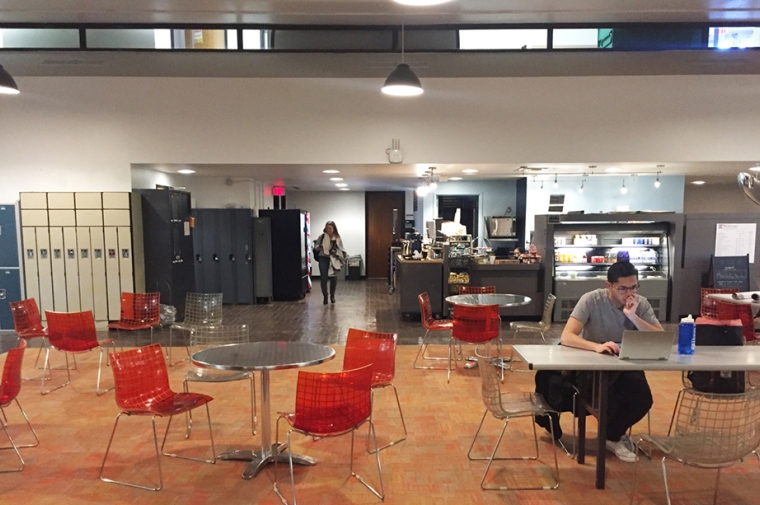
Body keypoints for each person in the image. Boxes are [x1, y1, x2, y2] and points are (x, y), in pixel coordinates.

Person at [560, 260, 663, 463]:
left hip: (626, 363)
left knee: (642, 399)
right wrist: (596, 346)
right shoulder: (591, 300)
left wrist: (633, 317)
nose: (629, 293)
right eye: (622, 288)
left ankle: (611, 436)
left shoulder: (640, 303)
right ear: (609, 286)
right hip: (593, 364)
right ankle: (614, 436)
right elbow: (567, 336)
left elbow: (659, 337)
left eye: (633, 287)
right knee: (607, 398)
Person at [313, 221, 347, 305]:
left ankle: (332, 295)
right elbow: (315, 246)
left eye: (330, 228)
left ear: (334, 229)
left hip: (333, 258)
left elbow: (341, 248)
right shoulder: (322, 237)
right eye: (327, 228)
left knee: (333, 277)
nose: (329, 230)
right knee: (323, 278)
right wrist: (319, 248)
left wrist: (336, 251)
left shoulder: (337, 238)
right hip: (323, 258)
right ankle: (325, 296)